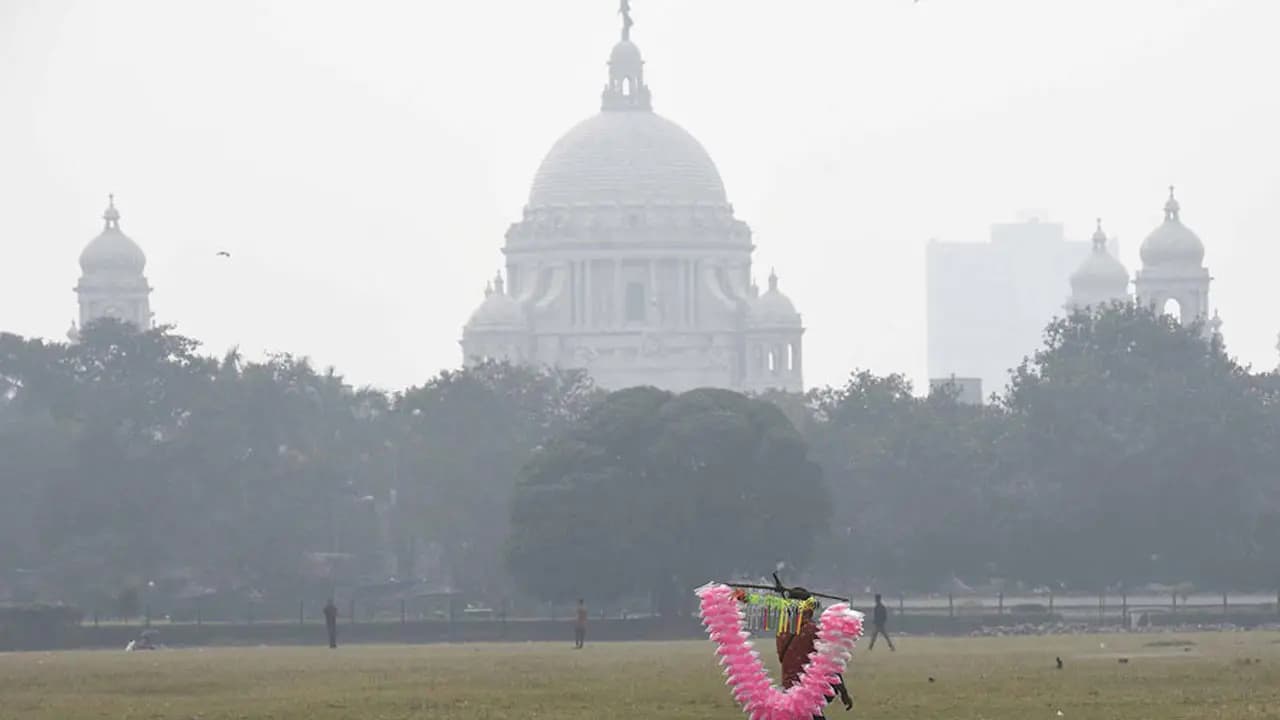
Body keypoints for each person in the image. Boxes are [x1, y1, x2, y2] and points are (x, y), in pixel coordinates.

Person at [776, 597, 853, 718]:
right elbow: (829, 663)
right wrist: (843, 691)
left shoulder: (782, 631)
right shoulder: (813, 631)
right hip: (807, 692)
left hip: (788, 689)